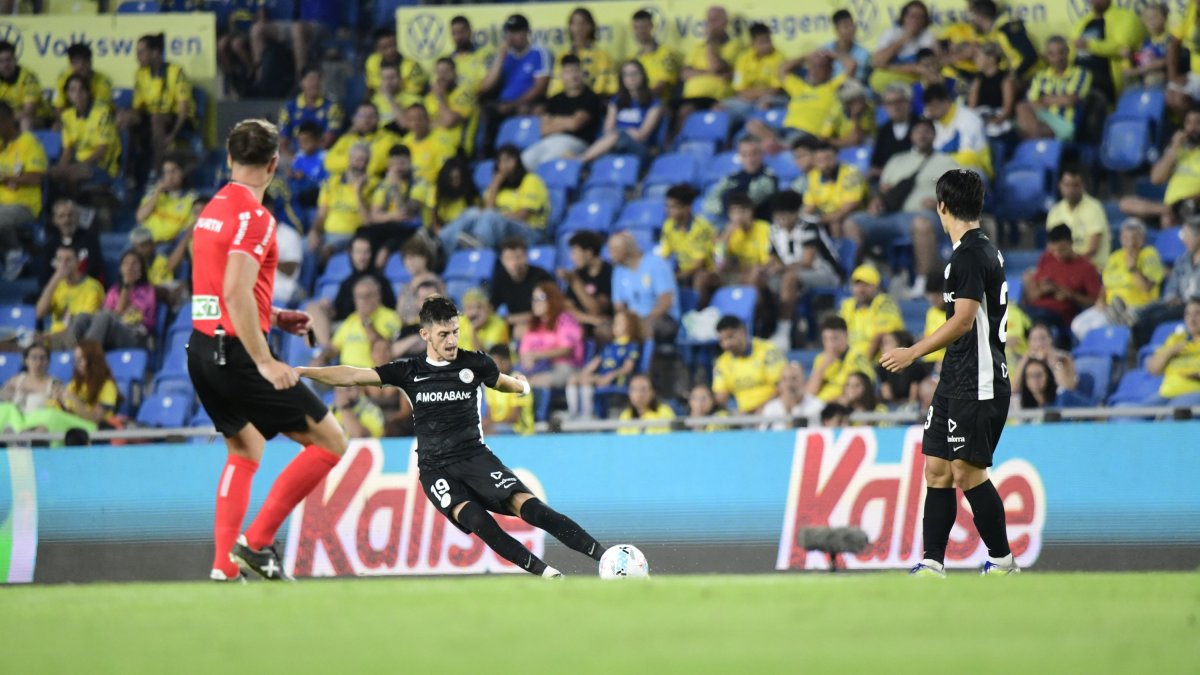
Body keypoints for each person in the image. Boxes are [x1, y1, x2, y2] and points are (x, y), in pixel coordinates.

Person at [301, 294, 611, 577]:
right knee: (479, 522)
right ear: (425, 335)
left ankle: (605, 557)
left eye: (455, 332)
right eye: (443, 334)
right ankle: (549, 575)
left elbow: (501, 381)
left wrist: (522, 386)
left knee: (532, 509)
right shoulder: (409, 371)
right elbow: (352, 375)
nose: (451, 341)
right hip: (435, 468)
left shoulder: (474, 363)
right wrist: (302, 372)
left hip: (475, 457)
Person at [188, 119, 348, 582]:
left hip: (201, 349)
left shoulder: (212, 209)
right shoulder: (255, 218)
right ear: (274, 164)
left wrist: (273, 316)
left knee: (246, 447)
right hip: (237, 354)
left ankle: (224, 568)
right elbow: (235, 292)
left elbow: (217, 292)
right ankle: (256, 544)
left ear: (229, 158)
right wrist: (265, 360)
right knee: (331, 441)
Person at [880, 168, 1019, 576]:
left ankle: (1003, 562)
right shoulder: (978, 250)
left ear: (942, 207)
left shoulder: (970, 255)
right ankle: (932, 563)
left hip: (978, 379)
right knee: (937, 469)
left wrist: (913, 352)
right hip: (956, 376)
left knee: (967, 472)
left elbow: (962, 320)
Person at [846, 118, 956, 295]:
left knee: (921, 224)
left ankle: (923, 282)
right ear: (911, 136)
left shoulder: (946, 162)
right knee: (853, 222)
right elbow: (882, 190)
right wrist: (877, 200)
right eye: (918, 131)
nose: (922, 135)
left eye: (927, 132)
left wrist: (940, 202)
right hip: (891, 216)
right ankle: (856, 277)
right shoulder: (897, 160)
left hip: (926, 216)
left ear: (934, 135)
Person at [767, 189, 843, 348]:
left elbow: (807, 262)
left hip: (823, 272)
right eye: (778, 216)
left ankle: (783, 333)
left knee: (790, 278)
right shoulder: (774, 229)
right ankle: (765, 329)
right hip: (791, 272)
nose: (781, 220)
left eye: (785, 216)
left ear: (796, 213)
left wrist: (781, 268)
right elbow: (772, 259)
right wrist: (767, 269)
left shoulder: (809, 225)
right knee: (759, 279)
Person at [439, 145, 550, 252]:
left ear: (517, 161)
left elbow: (523, 215)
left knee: (490, 216)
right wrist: (495, 184)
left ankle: (479, 245)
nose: (504, 165)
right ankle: (440, 242)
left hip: (532, 232)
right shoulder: (498, 186)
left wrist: (498, 217)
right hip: (501, 228)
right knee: (472, 213)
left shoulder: (531, 180)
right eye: (500, 161)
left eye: (508, 160)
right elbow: (487, 209)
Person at [1071, 217, 1163, 341]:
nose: (1130, 243)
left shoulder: (1149, 254)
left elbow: (1146, 287)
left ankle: (1110, 348)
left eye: (1134, 238)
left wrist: (1133, 268)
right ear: (1120, 239)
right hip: (1110, 306)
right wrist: (1101, 300)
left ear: (1143, 239)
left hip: (1134, 308)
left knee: (1096, 327)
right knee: (1077, 324)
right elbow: (1106, 285)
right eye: (1126, 238)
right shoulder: (1115, 257)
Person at [121, 33, 192, 180]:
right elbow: (138, 106)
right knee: (125, 118)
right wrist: (128, 116)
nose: (137, 57)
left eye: (141, 52)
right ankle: (127, 173)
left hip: (177, 120)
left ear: (155, 53)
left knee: (157, 119)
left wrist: (172, 135)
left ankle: (157, 171)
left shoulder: (175, 71)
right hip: (152, 117)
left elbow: (184, 111)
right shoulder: (140, 74)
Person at [479, 14, 552, 152]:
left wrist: (514, 104)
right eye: (509, 32)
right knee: (483, 110)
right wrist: (500, 58)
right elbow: (485, 87)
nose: (512, 36)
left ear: (527, 32)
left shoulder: (538, 52)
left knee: (528, 110)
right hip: (501, 103)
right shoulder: (505, 55)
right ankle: (486, 155)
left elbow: (540, 87)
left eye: (517, 31)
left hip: (525, 103)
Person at [1119, 108, 1200, 227]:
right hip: (1166, 207)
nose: (1192, 128)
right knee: (1125, 203)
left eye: (1198, 123)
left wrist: (1185, 203)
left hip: (1192, 206)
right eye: (1189, 122)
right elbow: (1155, 179)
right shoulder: (1177, 150)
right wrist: (1174, 148)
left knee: (1168, 219)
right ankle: (1167, 211)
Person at [522, 54, 604, 170]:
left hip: (577, 142)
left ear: (582, 73)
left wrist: (554, 120)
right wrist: (568, 120)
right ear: (562, 75)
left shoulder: (590, 97)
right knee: (525, 159)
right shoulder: (555, 99)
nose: (573, 75)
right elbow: (544, 129)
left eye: (576, 70)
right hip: (550, 140)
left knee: (547, 162)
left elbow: (575, 124)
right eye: (568, 72)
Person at [1022, 224, 1102, 341]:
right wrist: (1042, 290)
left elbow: (1095, 301)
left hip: (1060, 315)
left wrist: (1071, 295)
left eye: (1062, 250)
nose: (1057, 254)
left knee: (1039, 322)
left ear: (1071, 243)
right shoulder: (1047, 258)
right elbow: (1032, 295)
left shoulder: (1087, 267)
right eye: (1053, 250)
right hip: (1034, 308)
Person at [577, 60, 663, 165]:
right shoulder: (615, 101)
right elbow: (607, 130)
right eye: (626, 75)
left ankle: (580, 160)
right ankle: (583, 161)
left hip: (641, 148)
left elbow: (642, 135)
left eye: (634, 73)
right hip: (615, 143)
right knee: (614, 139)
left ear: (643, 76)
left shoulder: (654, 102)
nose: (631, 78)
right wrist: (628, 131)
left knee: (616, 137)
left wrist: (621, 132)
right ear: (622, 79)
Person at [67, 250, 155, 349]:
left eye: (134, 263)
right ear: (120, 269)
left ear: (141, 269)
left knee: (105, 317)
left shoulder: (147, 291)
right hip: (112, 333)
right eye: (126, 263)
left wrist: (126, 285)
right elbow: (107, 313)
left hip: (136, 335)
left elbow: (120, 314)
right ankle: (72, 354)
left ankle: (87, 354)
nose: (129, 267)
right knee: (81, 318)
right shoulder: (114, 291)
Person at [1132, 218, 1200, 347]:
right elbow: (1172, 284)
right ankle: (1131, 319)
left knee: (1156, 317)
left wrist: (1187, 300)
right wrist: (1172, 297)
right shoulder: (1182, 259)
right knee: (1145, 313)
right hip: (1177, 302)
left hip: (1195, 306)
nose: (1183, 240)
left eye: (1187, 235)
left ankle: (1150, 348)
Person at [50, 74, 120, 197]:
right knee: (52, 173)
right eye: (72, 90)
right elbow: (67, 150)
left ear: (88, 93)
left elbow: (102, 150)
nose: (77, 94)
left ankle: (75, 205)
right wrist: (61, 168)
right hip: (78, 164)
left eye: (81, 90)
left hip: (101, 167)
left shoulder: (102, 113)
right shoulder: (67, 116)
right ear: (68, 95)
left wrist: (80, 166)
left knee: (72, 175)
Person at [566, 308, 643, 420]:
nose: (615, 326)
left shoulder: (632, 345)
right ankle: (573, 412)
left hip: (616, 379)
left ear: (630, 326)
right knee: (573, 379)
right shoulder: (610, 345)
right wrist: (583, 373)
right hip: (601, 377)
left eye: (620, 323)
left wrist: (611, 375)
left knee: (586, 381)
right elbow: (596, 361)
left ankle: (587, 414)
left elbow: (627, 368)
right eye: (615, 322)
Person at [312, 276, 401, 369]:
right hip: (345, 372)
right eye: (359, 297)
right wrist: (321, 358)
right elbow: (334, 347)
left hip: (370, 372)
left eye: (367, 296)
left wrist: (365, 320)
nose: (363, 301)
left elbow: (381, 348)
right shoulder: (352, 319)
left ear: (378, 295)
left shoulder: (390, 317)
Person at [676, 5, 741, 130]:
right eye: (708, 20)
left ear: (725, 22)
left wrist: (711, 41)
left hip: (717, 99)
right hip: (693, 97)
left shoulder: (734, 46)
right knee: (678, 111)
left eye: (715, 20)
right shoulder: (698, 47)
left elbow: (716, 66)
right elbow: (685, 73)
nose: (710, 24)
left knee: (715, 112)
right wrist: (710, 74)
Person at [0, 101, 46, 280]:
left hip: (25, 205)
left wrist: (8, 179)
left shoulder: (29, 143)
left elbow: (36, 178)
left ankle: (15, 253)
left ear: (8, 120)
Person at [609, 231, 680, 343]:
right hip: (633, 320)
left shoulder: (657, 264)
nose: (609, 255)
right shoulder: (618, 271)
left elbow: (665, 303)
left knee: (648, 328)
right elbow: (619, 306)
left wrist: (644, 321)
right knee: (604, 330)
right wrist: (627, 323)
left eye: (613, 249)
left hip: (661, 318)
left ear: (627, 249)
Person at [1016, 36, 1091, 143]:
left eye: (1061, 52)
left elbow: (1070, 100)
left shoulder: (1081, 73)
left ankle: (1037, 144)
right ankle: (1039, 138)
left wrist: (1044, 99)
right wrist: (1057, 99)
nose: (1057, 58)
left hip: (1064, 124)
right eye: (1052, 54)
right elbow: (1032, 102)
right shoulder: (1040, 76)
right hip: (1042, 120)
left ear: (1068, 52)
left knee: (1024, 116)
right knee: (1021, 110)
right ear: (1047, 56)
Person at [0, 343, 86, 435]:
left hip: (39, 427)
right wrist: (11, 395)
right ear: (26, 360)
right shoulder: (15, 381)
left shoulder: (54, 384)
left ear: (48, 362)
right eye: (34, 358)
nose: (38, 362)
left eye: (42, 358)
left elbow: (65, 410)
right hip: (12, 425)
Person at [1070, 0, 1144, 105]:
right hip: (1080, 79)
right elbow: (1072, 47)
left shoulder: (1126, 17)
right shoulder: (1084, 21)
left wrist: (1090, 45)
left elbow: (1123, 48)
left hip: (1108, 80)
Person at [310, 143, 376, 257]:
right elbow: (321, 215)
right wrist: (314, 231)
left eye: (366, 161)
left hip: (353, 236)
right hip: (327, 234)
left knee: (328, 250)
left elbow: (368, 222)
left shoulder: (373, 185)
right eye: (358, 160)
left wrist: (358, 192)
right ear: (349, 159)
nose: (362, 165)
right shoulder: (331, 182)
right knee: (305, 248)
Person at [660, 184, 719, 308]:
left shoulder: (701, 227)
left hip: (710, 272)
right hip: (683, 272)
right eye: (667, 206)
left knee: (700, 277)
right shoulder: (668, 226)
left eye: (673, 207)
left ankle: (698, 312)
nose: (668, 210)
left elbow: (699, 265)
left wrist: (675, 277)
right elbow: (663, 256)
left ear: (687, 208)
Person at [712, 314, 785, 414]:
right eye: (721, 340)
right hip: (744, 414)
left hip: (773, 408)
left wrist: (762, 408)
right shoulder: (721, 363)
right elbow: (721, 398)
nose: (726, 344)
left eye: (730, 337)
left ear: (743, 332)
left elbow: (783, 387)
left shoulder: (767, 351)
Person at [518, 281, 585, 389]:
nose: (535, 302)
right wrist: (528, 359)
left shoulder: (565, 320)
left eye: (540, 298)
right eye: (533, 298)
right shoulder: (534, 324)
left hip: (564, 367)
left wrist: (537, 355)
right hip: (537, 368)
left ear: (552, 299)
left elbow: (566, 350)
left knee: (531, 383)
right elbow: (524, 352)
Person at [36, 245, 104, 347]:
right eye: (59, 260)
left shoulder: (93, 287)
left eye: (68, 260)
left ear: (78, 262)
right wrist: (54, 280)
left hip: (78, 341)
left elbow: (84, 325)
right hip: (54, 340)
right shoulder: (56, 286)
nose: (63, 264)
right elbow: (39, 313)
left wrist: (48, 338)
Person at [1046, 165, 1110, 269]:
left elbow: (1093, 248)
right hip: (1065, 268)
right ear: (1060, 185)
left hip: (1092, 268)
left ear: (1083, 185)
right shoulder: (1055, 211)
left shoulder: (1094, 208)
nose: (1071, 190)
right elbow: (1051, 247)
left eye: (1075, 185)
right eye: (1067, 185)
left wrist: (1071, 266)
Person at [721, 23, 784, 129]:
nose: (767, 45)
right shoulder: (743, 59)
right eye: (762, 42)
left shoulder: (779, 58)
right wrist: (755, 94)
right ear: (753, 43)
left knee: (765, 104)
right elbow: (739, 90)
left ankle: (757, 133)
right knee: (720, 107)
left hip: (769, 98)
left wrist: (753, 94)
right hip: (746, 100)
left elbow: (775, 90)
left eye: (768, 41)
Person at [702, 135, 778, 222]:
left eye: (754, 154)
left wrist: (727, 197)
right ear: (739, 156)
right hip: (730, 222)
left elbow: (746, 204)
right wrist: (726, 207)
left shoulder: (769, 178)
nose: (750, 159)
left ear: (762, 154)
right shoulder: (731, 177)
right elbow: (709, 201)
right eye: (745, 154)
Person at [489, 236, 554, 336]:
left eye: (518, 257)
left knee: (520, 330)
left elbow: (551, 308)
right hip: (513, 324)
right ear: (502, 260)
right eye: (508, 259)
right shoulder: (500, 278)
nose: (514, 263)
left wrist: (512, 319)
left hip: (541, 322)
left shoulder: (541, 276)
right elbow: (492, 306)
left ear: (526, 257)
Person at [837, 264, 904, 360]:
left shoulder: (884, 302)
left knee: (888, 339)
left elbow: (881, 334)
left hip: (878, 360)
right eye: (857, 285)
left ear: (875, 286)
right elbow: (838, 333)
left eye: (866, 285)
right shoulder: (848, 305)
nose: (861, 289)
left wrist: (865, 362)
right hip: (852, 360)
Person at [921, 83, 990, 176]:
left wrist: (937, 163)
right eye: (928, 106)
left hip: (976, 170)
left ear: (946, 101)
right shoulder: (936, 121)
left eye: (934, 105)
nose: (930, 110)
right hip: (946, 169)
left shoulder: (968, 119)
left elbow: (968, 157)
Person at [868, 1, 938, 92]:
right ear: (904, 17)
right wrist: (904, 38)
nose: (915, 20)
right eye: (912, 16)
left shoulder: (928, 37)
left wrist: (887, 67)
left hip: (914, 85)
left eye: (920, 17)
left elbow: (926, 68)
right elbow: (876, 62)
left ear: (925, 20)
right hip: (884, 87)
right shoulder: (891, 33)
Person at [802, 141, 867, 236]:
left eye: (828, 159)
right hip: (825, 216)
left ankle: (842, 246)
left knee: (835, 223)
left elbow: (848, 209)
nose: (825, 165)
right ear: (814, 161)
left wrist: (820, 220)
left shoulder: (852, 174)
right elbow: (809, 206)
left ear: (836, 156)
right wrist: (802, 220)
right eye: (820, 161)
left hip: (854, 215)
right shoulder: (813, 176)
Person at [1145, 298, 1200, 407]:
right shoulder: (1175, 339)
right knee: (1127, 413)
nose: (1192, 319)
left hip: (1194, 392)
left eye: (1197, 314)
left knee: (1173, 413)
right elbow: (1152, 369)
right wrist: (1169, 351)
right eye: (1188, 314)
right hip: (1165, 395)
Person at [806, 315, 875, 403]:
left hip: (841, 407)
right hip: (818, 405)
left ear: (846, 335)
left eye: (834, 338)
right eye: (826, 339)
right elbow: (809, 393)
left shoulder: (857, 358)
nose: (830, 344)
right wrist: (822, 367)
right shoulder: (820, 358)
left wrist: (830, 405)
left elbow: (864, 390)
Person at [968, 0, 1040, 81]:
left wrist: (1014, 75)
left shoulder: (1007, 28)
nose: (970, 21)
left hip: (1031, 77)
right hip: (1015, 79)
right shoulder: (991, 34)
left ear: (980, 16)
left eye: (971, 16)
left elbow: (1031, 56)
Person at [551, 8, 617, 97]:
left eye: (582, 23)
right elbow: (556, 86)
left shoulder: (602, 55)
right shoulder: (563, 55)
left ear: (591, 26)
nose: (578, 28)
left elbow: (606, 85)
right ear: (570, 27)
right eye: (574, 24)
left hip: (594, 100)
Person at [560, 229, 614, 337]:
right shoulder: (577, 273)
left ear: (589, 253)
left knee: (602, 330)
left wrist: (575, 282)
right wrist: (591, 320)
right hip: (583, 322)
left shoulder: (609, 273)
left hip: (603, 327)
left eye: (575, 252)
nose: (572, 258)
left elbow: (596, 309)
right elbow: (567, 308)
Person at [277, 68, 343, 155]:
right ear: (301, 83)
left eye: (317, 80)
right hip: (294, 154)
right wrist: (293, 159)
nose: (314, 84)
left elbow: (330, 137)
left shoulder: (333, 106)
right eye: (310, 80)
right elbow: (282, 140)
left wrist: (310, 158)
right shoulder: (289, 107)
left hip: (322, 154)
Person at [56, 338, 119, 428]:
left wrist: (74, 399)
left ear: (93, 360)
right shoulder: (74, 384)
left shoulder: (107, 385)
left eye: (81, 360)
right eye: (75, 360)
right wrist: (60, 403)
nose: (77, 364)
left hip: (95, 430)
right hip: (73, 427)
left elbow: (95, 420)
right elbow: (69, 414)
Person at [137, 154, 198, 244]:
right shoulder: (154, 194)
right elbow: (140, 217)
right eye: (166, 172)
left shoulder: (192, 199)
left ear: (182, 172)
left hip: (169, 244)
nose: (169, 177)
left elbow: (188, 231)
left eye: (173, 172)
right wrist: (157, 193)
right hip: (144, 242)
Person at [40, 198, 102, 287]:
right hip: (58, 291)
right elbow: (45, 278)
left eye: (70, 215)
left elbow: (93, 270)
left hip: (84, 289)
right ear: (55, 220)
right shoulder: (50, 245)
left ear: (77, 217)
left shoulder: (90, 239)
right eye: (61, 216)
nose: (66, 220)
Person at [426, 57, 478, 156]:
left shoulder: (465, 94)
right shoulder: (430, 97)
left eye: (446, 71)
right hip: (433, 149)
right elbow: (423, 124)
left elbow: (449, 121)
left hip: (457, 151)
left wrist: (440, 97)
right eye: (439, 72)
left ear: (455, 73)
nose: (442, 76)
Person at [1012, 322, 1078, 398]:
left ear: (1051, 339)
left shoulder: (1064, 358)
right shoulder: (1026, 360)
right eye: (1034, 339)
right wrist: (1025, 359)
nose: (1039, 343)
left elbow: (1068, 388)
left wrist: (1053, 361)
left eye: (1042, 338)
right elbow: (1014, 389)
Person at [967, 43, 1017, 141]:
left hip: (998, 117)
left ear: (991, 59)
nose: (975, 60)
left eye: (978, 56)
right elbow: (971, 106)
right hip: (981, 115)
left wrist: (994, 121)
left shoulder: (1006, 80)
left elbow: (1007, 110)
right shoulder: (978, 80)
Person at [400, 104, 458, 187]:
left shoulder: (442, 140)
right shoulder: (404, 142)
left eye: (419, 119)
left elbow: (446, 173)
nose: (416, 123)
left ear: (428, 120)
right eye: (411, 119)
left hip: (433, 187)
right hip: (408, 187)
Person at [482, 343, 534, 435]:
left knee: (488, 432)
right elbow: (489, 415)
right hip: (497, 426)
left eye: (495, 363)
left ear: (505, 362)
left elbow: (513, 418)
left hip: (520, 430)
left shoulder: (518, 381)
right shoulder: (491, 383)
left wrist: (489, 424)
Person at [870, 83, 918, 181]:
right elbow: (875, 167)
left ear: (909, 102)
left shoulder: (921, 125)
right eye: (889, 103)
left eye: (899, 101)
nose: (895, 107)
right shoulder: (883, 131)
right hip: (889, 183)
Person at [52, 43, 114, 116]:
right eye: (77, 62)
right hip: (72, 117)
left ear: (91, 62)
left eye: (85, 61)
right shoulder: (63, 79)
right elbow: (59, 107)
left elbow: (100, 111)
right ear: (70, 63)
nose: (81, 65)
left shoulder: (102, 81)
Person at [364, 27, 426, 99]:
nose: (390, 51)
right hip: (380, 101)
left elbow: (418, 94)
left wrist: (396, 87)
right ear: (377, 49)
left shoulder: (413, 66)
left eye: (392, 45)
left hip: (405, 102)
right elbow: (370, 87)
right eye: (384, 48)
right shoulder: (371, 62)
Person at [631, 9, 679, 100]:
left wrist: (643, 97)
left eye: (644, 27)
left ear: (652, 26)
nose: (640, 31)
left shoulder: (666, 54)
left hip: (658, 102)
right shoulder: (633, 58)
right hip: (635, 103)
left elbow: (663, 84)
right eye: (637, 27)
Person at [760, 361, 823, 429]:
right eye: (784, 379)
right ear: (779, 384)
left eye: (794, 378)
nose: (789, 384)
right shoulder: (771, 408)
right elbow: (763, 433)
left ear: (804, 381)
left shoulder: (816, 406)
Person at [0, 40, 47, 131]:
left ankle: (25, 141)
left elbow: (28, 111)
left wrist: (4, 118)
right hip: (7, 118)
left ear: (15, 59)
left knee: (25, 121)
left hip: (38, 118)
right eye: (1, 61)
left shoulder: (28, 78)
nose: (5, 65)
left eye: (8, 60)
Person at [876, 330, 927, 408]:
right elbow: (887, 396)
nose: (882, 346)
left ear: (901, 346)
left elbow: (913, 399)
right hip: (893, 408)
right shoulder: (882, 368)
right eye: (883, 343)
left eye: (888, 342)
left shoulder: (915, 367)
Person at [1124, 2, 1169, 89]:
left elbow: (1167, 61)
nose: (1151, 22)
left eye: (1155, 17)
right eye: (1147, 19)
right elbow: (1140, 59)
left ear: (1165, 18)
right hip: (1145, 85)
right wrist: (1130, 56)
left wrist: (1138, 70)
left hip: (1164, 84)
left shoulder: (1170, 40)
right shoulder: (1146, 42)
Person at [448, 16, 494, 93]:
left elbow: (488, 82)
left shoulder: (485, 54)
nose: (459, 37)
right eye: (455, 33)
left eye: (462, 32)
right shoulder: (448, 60)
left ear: (470, 31)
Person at [457, 288, 509, 353]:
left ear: (488, 308)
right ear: (464, 311)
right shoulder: (458, 323)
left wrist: (473, 330)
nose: (475, 312)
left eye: (479, 307)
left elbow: (483, 357)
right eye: (470, 308)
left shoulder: (498, 325)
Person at [826, 9, 871, 83]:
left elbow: (858, 77)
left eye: (852, 26)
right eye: (846, 27)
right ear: (837, 30)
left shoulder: (864, 53)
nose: (851, 29)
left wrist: (836, 56)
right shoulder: (826, 49)